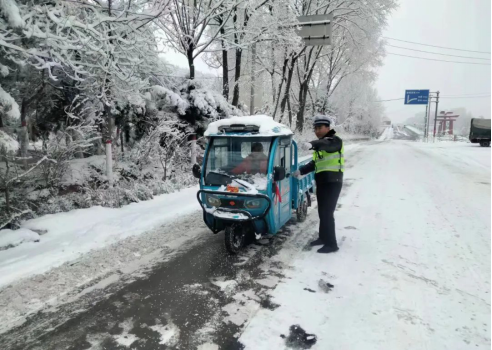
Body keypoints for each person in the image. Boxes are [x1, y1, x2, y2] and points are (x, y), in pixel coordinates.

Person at [293, 116, 344, 254]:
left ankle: (332, 244)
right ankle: (323, 238)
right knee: (322, 212)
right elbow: (315, 163)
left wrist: (312, 144)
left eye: (319, 128)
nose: (317, 131)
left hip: (333, 182)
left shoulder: (335, 141)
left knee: (328, 213)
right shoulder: (321, 145)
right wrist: (300, 171)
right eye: (315, 128)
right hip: (322, 182)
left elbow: (328, 145)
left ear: (328, 128)